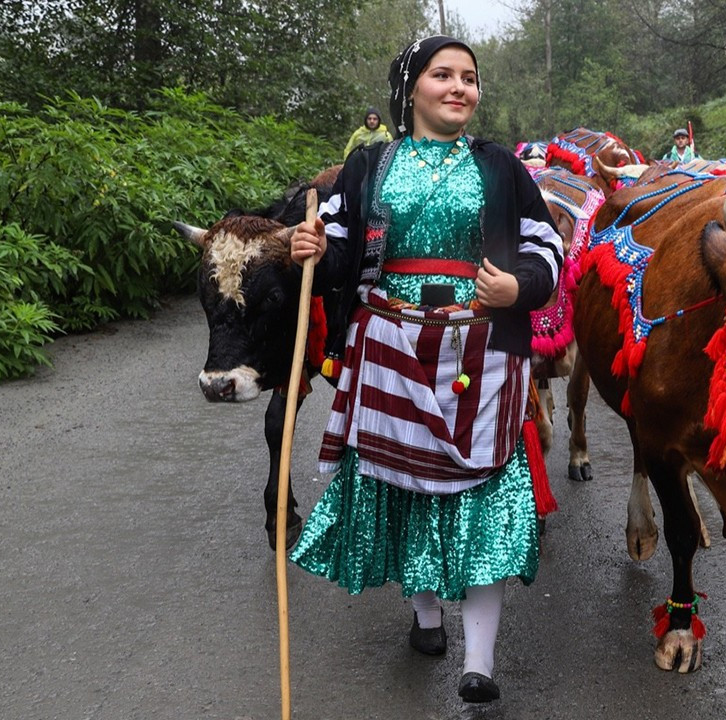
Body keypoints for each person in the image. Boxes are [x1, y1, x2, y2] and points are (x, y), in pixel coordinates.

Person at [288, 35, 563, 703]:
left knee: (483, 496)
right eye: (443, 75)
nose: (459, 87)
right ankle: (425, 618)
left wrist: (519, 288)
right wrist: (312, 249)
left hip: (482, 351)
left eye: (469, 77)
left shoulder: (501, 166)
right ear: (410, 88)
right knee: (404, 488)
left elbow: (545, 244)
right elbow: (340, 244)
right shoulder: (369, 166)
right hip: (389, 345)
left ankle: (479, 662)